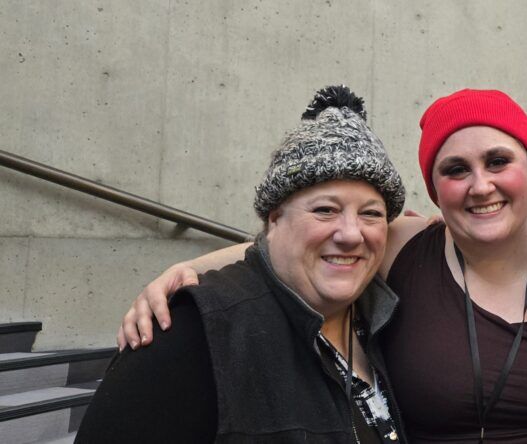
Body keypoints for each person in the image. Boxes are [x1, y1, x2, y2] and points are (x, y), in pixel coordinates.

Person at [117, 89, 527, 442]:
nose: (480, 185)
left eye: (498, 161)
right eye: (456, 169)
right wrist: (185, 270)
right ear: (435, 191)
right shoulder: (403, 245)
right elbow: (298, 244)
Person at [77, 85, 407, 443]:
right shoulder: (193, 333)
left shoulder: (384, 322)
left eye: (371, 214)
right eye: (325, 210)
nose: (351, 234)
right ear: (275, 220)